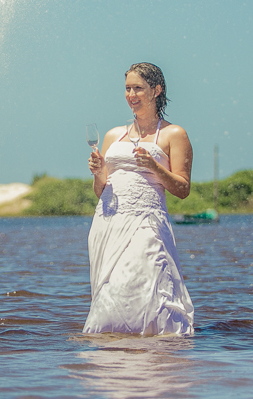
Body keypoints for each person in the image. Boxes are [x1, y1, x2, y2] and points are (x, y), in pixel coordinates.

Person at [85, 62, 194, 336]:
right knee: (113, 288)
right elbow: (100, 191)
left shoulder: (174, 134)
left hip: (147, 220)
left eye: (138, 88)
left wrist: (155, 168)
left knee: (148, 279)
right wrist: (99, 174)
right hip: (108, 221)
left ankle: (158, 348)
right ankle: (112, 352)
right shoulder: (113, 135)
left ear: (156, 90)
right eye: (127, 89)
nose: (131, 95)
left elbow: (182, 189)